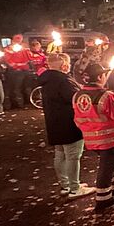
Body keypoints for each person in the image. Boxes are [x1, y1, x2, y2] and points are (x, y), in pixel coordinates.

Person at [72, 63, 114, 211]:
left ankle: (112, 189)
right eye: (103, 75)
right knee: (106, 167)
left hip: (91, 139)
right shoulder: (107, 96)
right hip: (109, 138)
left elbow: (78, 118)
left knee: (110, 165)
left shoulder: (78, 95)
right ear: (99, 77)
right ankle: (103, 199)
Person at [39, 53, 95, 199]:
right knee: (73, 156)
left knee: (60, 154)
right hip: (69, 122)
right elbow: (77, 99)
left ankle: (66, 185)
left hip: (54, 122)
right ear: (64, 65)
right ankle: (75, 188)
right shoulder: (64, 81)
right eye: (68, 64)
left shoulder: (47, 80)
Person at [4, 34, 33, 109]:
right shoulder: (9, 48)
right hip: (16, 71)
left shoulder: (24, 47)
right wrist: (16, 66)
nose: (19, 40)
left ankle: (26, 103)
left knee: (26, 87)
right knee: (16, 88)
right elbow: (8, 60)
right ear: (13, 39)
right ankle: (18, 104)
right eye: (17, 38)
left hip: (25, 70)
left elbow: (30, 57)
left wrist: (28, 51)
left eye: (20, 38)